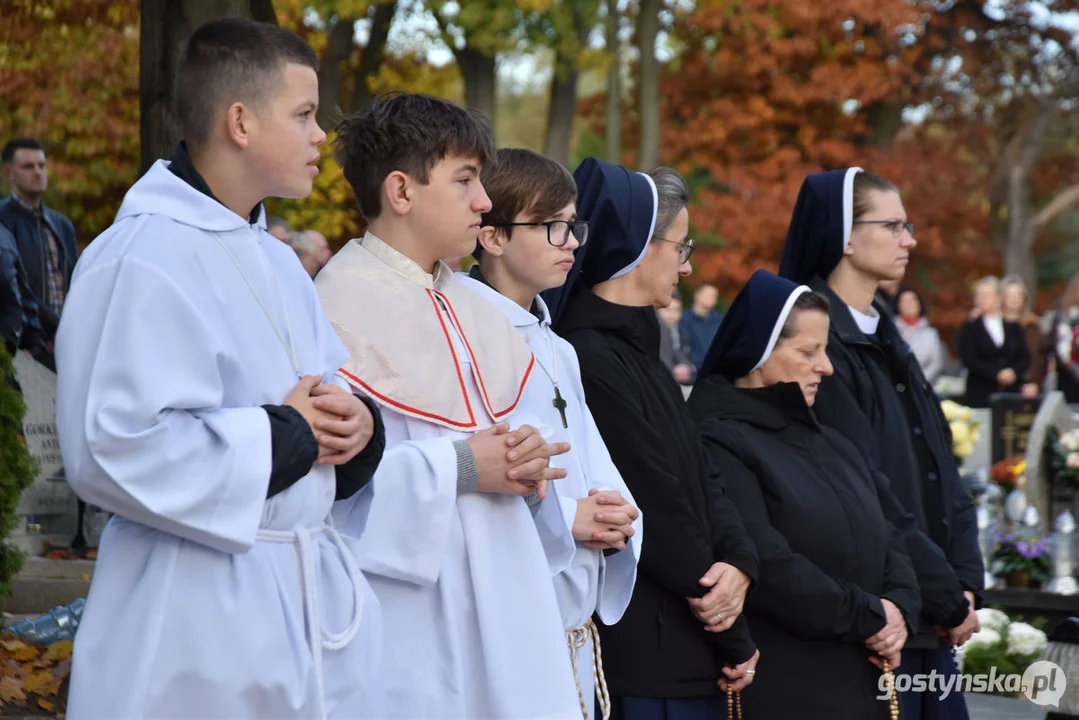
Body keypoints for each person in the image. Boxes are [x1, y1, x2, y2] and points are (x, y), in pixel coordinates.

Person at [53, 18, 385, 719]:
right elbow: (111, 449)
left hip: (293, 596)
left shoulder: (272, 256)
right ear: (239, 120)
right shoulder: (140, 256)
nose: (321, 134)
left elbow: (315, 396)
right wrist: (288, 434)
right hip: (191, 611)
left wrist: (356, 426)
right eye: (302, 115)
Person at [315, 93, 582, 719]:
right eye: (465, 181)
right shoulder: (332, 312)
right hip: (413, 619)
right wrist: (461, 468)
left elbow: (506, 439)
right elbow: (329, 497)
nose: (484, 202)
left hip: (509, 601)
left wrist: (528, 465)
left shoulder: (478, 307)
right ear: (401, 192)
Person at [543, 157, 760, 720]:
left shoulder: (641, 348)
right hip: (650, 646)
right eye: (681, 247)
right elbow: (653, 505)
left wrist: (740, 559)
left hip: (689, 640)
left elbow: (701, 473)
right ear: (638, 247)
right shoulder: (589, 355)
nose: (687, 268)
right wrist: (730, 629)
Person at [779, 168, 983, 720]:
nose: (909, 239)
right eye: (892, 225)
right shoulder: (822, 349)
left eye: (906, 225)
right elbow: (868, 486)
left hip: (933, 609)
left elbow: (940, 463)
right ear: (846, 236)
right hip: (884, 617)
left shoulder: (889, 334)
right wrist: (945, 592)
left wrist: (967, 580)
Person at [688, 269, 921, 719]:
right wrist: (873, 615)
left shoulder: (833, 441)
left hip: (864, 679)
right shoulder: (719, 441)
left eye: (826, 350)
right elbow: (769, 564)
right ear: (758, 352)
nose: (826, 367)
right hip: (791, 688)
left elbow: (890, 537)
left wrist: (901, 608)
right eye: (808, 352)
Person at [460, 146, 643, 719]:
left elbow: (591, 461)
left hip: (573, 622)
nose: (571, 243)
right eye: (552, 227)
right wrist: (567, 520)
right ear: (491, 236)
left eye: (573, 227)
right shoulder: (466, 333)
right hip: (511, 619)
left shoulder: (558, 346)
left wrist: (616, 514)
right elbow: (484, 470)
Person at [0, 137, 78, 359]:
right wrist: (51, 328)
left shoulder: (61, 225)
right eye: (28, 166)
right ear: (8, 172)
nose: (37, 172)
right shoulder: (3, 222)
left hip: (65, 341)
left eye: (41, 165)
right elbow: (14, 288)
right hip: (24, 342)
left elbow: (75, 281)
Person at [957, 276, 1029, 408]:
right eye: (979, 295)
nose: (982, 299)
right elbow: (969, 359)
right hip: (981, 393)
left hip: (1010, 394)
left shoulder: (1013, 327)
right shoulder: (970, 328)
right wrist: (996, 373)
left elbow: (1024, 357)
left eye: (987, 295)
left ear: (998, 298)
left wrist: (1013, 372)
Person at [1001, 274, 1047, 398]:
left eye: (1018, 295)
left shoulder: (1032, 326)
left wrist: (1033, 382)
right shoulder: (994, 326)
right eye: (1010, 295)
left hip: (1027, 388)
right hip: (998, 385)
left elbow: (1040, 358)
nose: (1014, 299)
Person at [895, 287, 945, 385]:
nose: (909, 303)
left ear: (919, 304)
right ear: (897, 305)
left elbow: (936, 363)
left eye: (913, 299)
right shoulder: (890, 330)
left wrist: (919, 380)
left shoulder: (930, 333)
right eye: (904, 300)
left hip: (924, 385)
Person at [679, 283, 722, 369]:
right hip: (691, 371)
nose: (712, 298)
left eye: (714, 296)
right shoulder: (683, 319)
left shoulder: (719, 321)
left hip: (715, 371)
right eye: (708, 295)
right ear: (697, 295)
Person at [658, 292, 694, 384]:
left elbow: (678, 352)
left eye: (677, 310)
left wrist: (686, 366)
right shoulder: (656, 329)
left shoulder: (679, 331)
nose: (672, 314)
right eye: (667, 309)